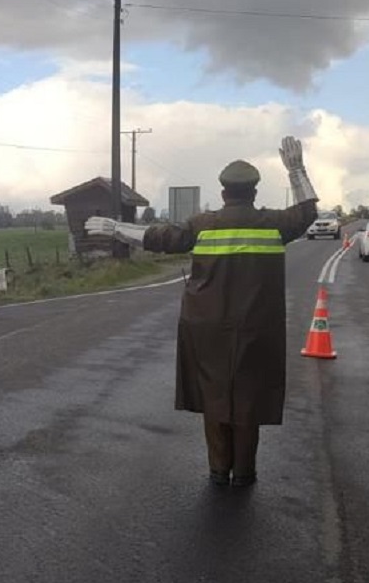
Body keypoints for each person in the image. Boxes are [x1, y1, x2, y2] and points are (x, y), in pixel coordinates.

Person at [85, 136, 319, 487]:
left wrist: (118, 229)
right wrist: (297, 170)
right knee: (248, 398)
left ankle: (217, 470)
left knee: (215, 395)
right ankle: (244, 473)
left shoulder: (202, 224)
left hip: (205, 328)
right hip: (258, 328)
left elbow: (158, 237)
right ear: (253, 191)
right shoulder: (275, 224)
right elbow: (307, 213)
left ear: (224, 192)